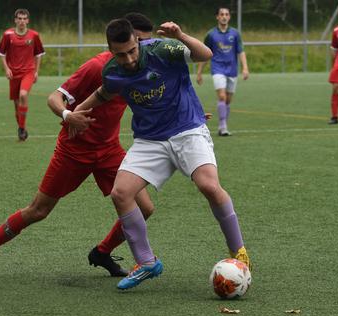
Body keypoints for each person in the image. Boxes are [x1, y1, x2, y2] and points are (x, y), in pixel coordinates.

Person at [0, 15, 160, 281]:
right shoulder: (96, 67)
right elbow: (54, 98)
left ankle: (101, 252)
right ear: (119, 45)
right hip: (74, 150)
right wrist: (69, 116)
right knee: (38, 211)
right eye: (142, 42)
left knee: (144, 208)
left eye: (146, 44)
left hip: (109, 150)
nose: (142, 51)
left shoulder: (141, 66)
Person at [72, 19, 252, 291]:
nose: (129, 59)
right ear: (110, 50)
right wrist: (77, 112)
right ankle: (146, 262)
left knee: (208, 185)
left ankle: (239, 251)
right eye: (121, 54)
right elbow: (105, 92)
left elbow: (205, 54)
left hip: (187, 129)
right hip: (149, 140)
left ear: (138, 41)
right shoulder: (112, 70)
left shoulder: (162, 49)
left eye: (132, 50)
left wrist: (180, 35)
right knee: (121, 193)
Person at [196, 7, 249, 136]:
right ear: (217, 17)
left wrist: (245, 67)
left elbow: (240, 51)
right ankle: (223, 125)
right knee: (221, 96)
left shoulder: (235, 34)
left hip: (232, 70)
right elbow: (205, 54)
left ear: (229, 17)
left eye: (226, 14)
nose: (224, 16)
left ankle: (222, 124)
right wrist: (199, 72)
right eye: (221, 14)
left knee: (228, 100)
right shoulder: (211, 34)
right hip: (217, 68)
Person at [0, 8, 45, 141]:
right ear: (15, 20)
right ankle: (22, 127)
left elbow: (39, 54)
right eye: (20, 18)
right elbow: (1, 53)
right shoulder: (8, 35)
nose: (22, 21)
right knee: (17, 105)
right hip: (13, 74)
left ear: (28, 21)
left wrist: (36, 71)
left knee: (23, 95)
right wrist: (6, 69)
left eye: (24, 19)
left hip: (28, 72)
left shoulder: (34, 35)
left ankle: (21, 128)